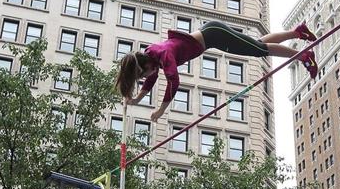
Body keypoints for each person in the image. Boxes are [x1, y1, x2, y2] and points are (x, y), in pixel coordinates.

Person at [115, 21, 318, 121]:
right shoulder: (152, 54)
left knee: (258, 50)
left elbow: (173, 82)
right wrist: (136, 99)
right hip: (212, 36)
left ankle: (303, 56)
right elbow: (151, 80)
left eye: (143, 75)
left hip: (215, 35)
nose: (146, 79)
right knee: (255, 46)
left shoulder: (164, 55)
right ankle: (298, 32)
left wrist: (161, 110)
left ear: (146, 66)